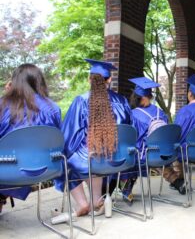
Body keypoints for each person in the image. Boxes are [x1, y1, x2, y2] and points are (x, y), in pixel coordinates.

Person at [55, 59, 132, 217]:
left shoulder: (82, 100)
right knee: (95, 153)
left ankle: (83, 203)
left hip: (93, 159)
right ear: (109, 79)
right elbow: (130, 131)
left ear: (89, 79)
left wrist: (64, 152)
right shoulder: (123, 101)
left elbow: (69, 136)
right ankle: (97, 201)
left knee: (65, 162)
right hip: (120, 158)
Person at [0, 64, 61, 213]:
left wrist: (5, 95)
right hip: (45, 168)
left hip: (6, 168)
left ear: (14, 82)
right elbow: (58, 141)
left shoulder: (3, 105)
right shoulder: (53, 107)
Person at [129, 77, 186, 195]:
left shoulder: (134, 114)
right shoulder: (161, 112)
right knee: (153, 151)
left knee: (130, 152)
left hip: (147, 155)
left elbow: (135, 139)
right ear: (149, 96)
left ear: (140, 97)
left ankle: (125, 189)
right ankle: (176, 181)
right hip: (166, 152)